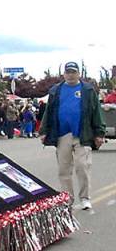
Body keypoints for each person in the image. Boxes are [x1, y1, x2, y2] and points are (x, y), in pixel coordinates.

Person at [40, 62, 105, 210]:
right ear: (64, 74)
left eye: (73, 72)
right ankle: (67, 198)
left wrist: (99, 133)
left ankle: (85, 198)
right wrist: (44, 131)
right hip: (62, 134)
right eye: (68, 72)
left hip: (82, 134)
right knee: (64, 169)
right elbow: (48, 112)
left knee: (83, 166)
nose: (70, 75)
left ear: (78, 74)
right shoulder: (55, 90)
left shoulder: (88, 90)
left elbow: (96, 112)